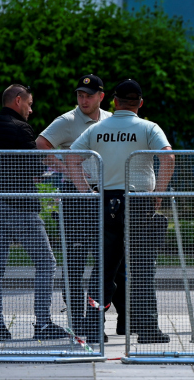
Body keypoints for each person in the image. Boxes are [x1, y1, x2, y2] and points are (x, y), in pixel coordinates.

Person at [67, 78, 175, 344]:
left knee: (104, 268)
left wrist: (85, 193)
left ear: (113, 102)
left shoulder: (98, 128)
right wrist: (158, 195)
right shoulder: (149, 127)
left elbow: (71, 157)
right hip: (138, 202)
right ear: (140, 103)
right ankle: (147, 329)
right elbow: (168, 157)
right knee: (141, 268)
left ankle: (93, 328)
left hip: (106, 201)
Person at [0, 84, 68, 341]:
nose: (31, 109)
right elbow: (33, 166)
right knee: (46, 262)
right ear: (17, 101)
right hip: (20, 205)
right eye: (29, 103)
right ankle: (43, 323)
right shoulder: (21, 129)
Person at [37, 74, 112, 341]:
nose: (83, 100)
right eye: (80, 95)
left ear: (101, 97)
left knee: (105, 260)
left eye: (89, 95)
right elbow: (41, 144)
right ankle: (76, 319)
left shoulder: (110, 120)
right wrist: (62, 168)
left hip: (102, 194)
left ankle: (94, 321)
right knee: (75, 261)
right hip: (75, 196)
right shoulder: (68, 120)